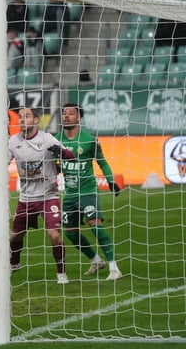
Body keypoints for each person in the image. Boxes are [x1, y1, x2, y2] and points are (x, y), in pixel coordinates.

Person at [55, 103, 123, 280]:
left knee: (95, 224)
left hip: (88, 191)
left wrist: (110, 180)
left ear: (79, 117)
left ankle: (114, 268)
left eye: (71, 113)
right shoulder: (55, 140)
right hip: (69, 194)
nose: (66, 116)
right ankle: (95, 260)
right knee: (70, 232)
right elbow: (54, 166)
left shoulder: (89, 139)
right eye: (64, 113)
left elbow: (102, 162)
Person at [8, 107, 75, 284]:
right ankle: (14, 263)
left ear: (36, 120)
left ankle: (61, 273)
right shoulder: (13, 141)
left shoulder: (46, 138)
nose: (22, 119)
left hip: (48, 195)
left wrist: (58, 151)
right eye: (20, 116)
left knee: (54, 235)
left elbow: (71, 156)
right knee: (15, 236)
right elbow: (3, 162)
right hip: (26, 198)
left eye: (27, 116)